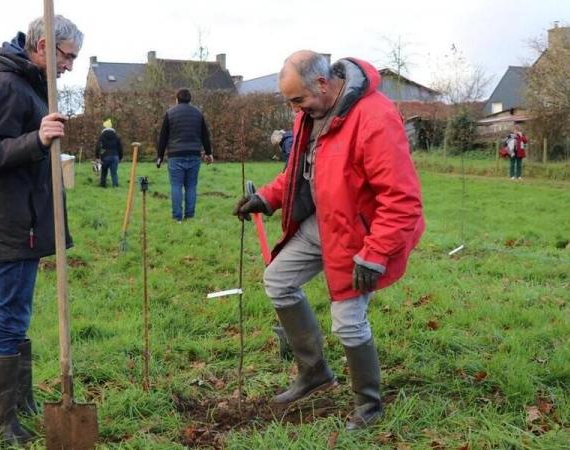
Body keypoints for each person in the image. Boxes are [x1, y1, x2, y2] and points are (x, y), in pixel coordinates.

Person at [233, 51, 425, 430]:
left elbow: (402, 199)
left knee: (348, 322)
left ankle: (369, 405)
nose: (294, 108)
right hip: (323, 224)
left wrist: (375, 254)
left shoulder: (375, 117)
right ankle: (314, 371)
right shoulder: (311, 113)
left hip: (362, 236)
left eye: (297, 99)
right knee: (278, 281)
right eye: (291, 101)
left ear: (323, 83)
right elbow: (299, 173)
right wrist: (267, 198)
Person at [0, 15, 83, 445]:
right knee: (10, 317)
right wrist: (36, 139)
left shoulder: (27, 81)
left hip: (26, 217)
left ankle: (22, 401)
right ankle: (2, 422)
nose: (70, 66)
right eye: (67, 57)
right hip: (12, 219)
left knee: (19, 312)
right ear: (41, 47)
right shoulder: (3, 85)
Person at [156, 88, 213, 222]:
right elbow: (205, 135)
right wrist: (209, 153)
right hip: (194, 154)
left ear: (177, 99)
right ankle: (190, 216)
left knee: (176, 186)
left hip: (175, 155)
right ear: (190, 99)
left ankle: (177, 218)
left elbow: (163, 137)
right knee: (191, 186)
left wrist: (160, 156)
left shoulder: (170, 113)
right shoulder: (198, 113)